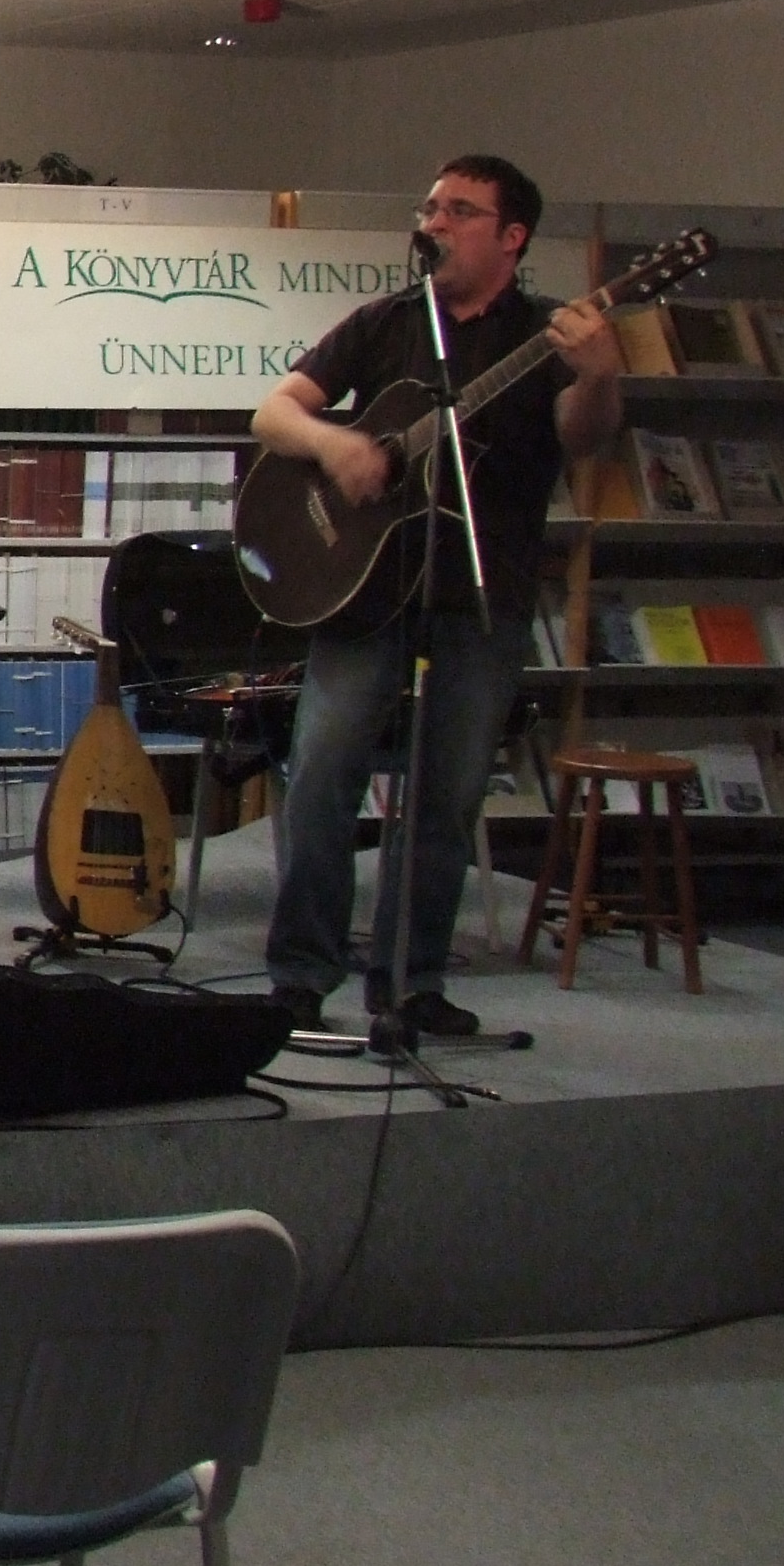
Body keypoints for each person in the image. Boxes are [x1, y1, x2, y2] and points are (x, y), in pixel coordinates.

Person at [249, 155, 619, 1039]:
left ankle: (410, 982)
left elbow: (585, 438)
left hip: (481, 591)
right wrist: (336, 446)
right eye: (430, 207)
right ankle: (301, 973)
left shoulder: (543, 335)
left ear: (512, 236)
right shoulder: (385, 322)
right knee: (321, 775)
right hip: (363, 591)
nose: (434, 222)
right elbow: (274, 412)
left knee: (447, 796)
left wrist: (601, 376)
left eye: (458, 210)